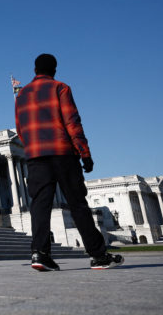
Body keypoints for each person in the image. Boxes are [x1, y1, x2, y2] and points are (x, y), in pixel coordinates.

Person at [15, 53, 123, 271]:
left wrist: (32, 149)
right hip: (62, 152)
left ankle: (40, 253)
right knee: (77, 204)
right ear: (54, 69)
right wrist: (85, 153)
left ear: (35, 70)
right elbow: (72, 122)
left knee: (40, 205)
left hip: (35, 155)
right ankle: (98, 255)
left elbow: (20, 128)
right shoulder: (60, 88)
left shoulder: (22, 94)